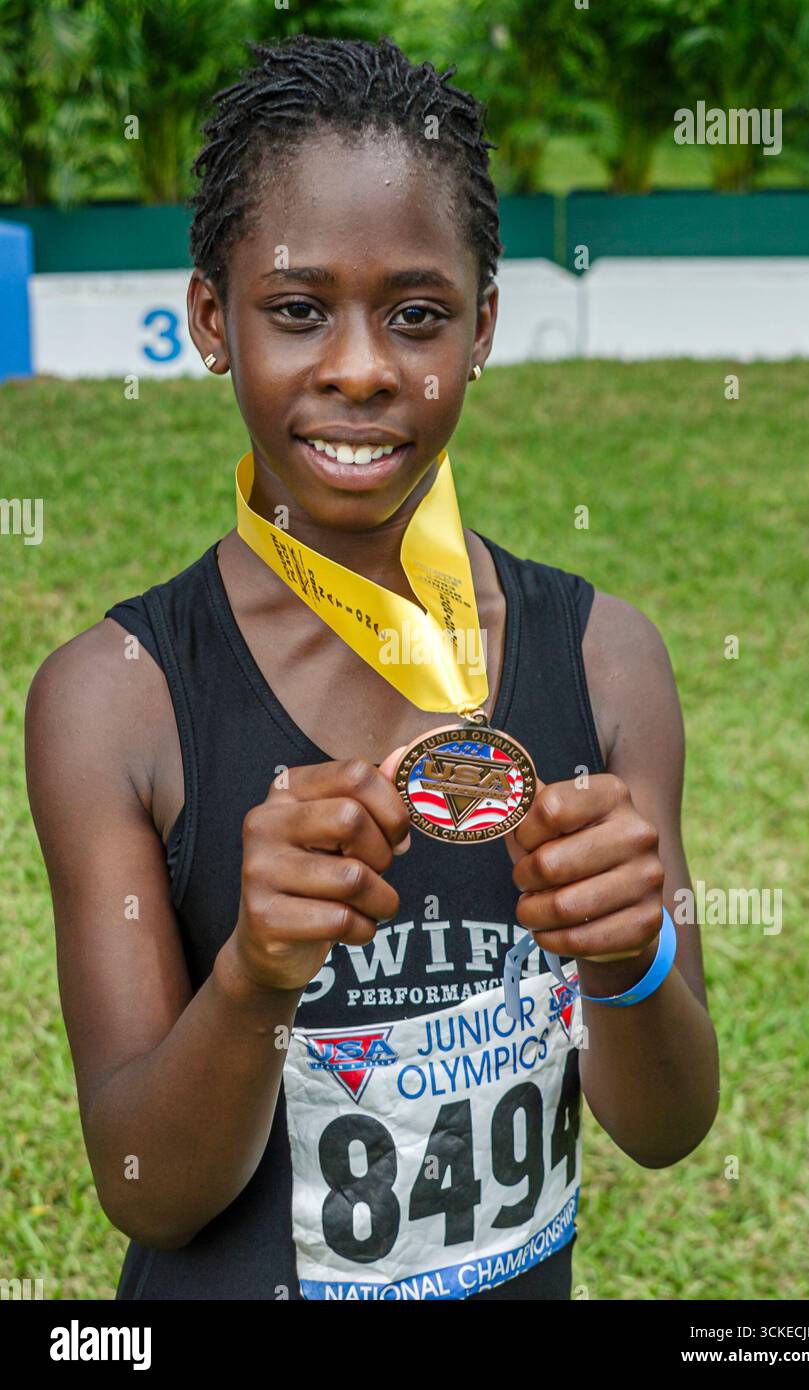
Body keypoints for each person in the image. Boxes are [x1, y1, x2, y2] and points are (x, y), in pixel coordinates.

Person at [25, 34, 719, 1301]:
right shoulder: (114, 698)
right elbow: (142, 1184)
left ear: (484, 326)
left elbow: (666, 1124)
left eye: (415, 313)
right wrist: (250, 978)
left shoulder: (605, 658)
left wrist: (633, 962)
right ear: (209, 321)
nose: (358, 366)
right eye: (297, 310)